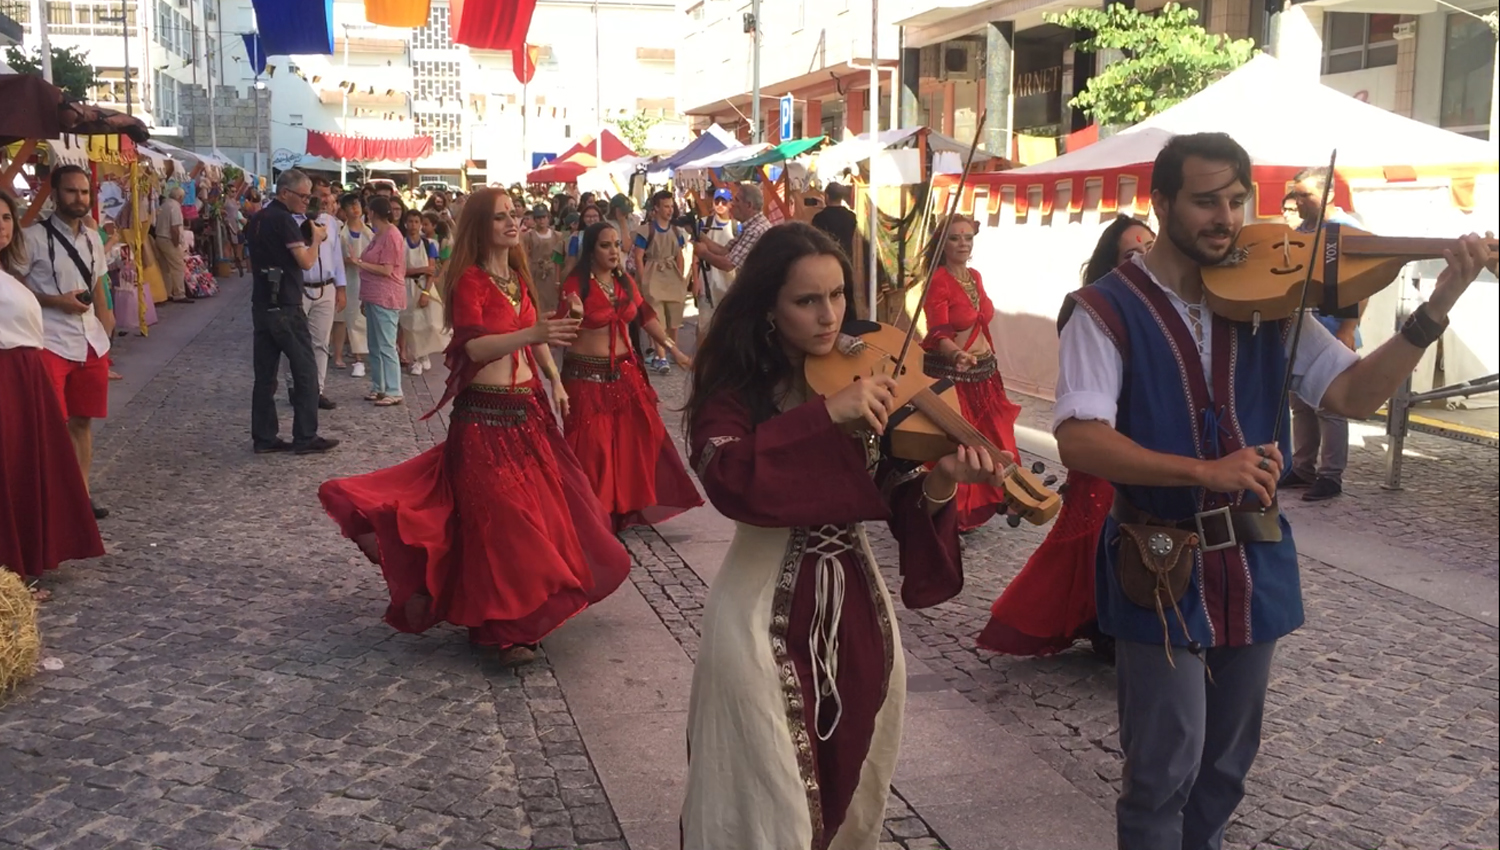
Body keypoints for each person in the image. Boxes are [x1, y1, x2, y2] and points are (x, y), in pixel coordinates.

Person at [1053, 132, 1491, 850]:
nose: (1225, 218)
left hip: (1254, 564)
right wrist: (1204, 471)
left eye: (1235, 199)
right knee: (1164, 770)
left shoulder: (1270, 303)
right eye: (1205, 202)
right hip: (1158, 559)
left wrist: (1437, 304)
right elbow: (1080, 439)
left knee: (1226, 769)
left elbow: (1351, 393)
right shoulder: (1103, 309)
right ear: (1161, 202)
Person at [680, 221, 1009, 849]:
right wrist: (823, 414)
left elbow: (892, 489)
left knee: (853, 782)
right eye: (807, 301)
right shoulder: (736, 389)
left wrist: (940, 480)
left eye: (837, 296)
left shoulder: (871, 377)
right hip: (756, 616)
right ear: (769, 309)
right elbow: (727, 477)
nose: (830, 316)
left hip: (858, 614)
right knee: (764, 787)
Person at [319, 188, 631, 668]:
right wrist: (534, 334)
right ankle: (502, 631)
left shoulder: (517, 278)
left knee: (540, 517)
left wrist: (554, 380)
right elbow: (474, 349)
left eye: (515, 215)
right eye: (501, 217)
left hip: (526, 414)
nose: (512, 223)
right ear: (481, 226)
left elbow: (535, 336)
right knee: (502, 524)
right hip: (482, 420)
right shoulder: (469, 281)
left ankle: (511, 618)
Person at [978, 215, 1154, 661]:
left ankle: (1121, 613)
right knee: (1095, 527)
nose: (1146, 258)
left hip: (1147, 434)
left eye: (1152, 248)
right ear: (1110, 260)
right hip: (1101, 434)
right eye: (1134, 252)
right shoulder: (1089, 309)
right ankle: (1100, 618)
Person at [554, 221, 701, 532]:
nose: (614, 252)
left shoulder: (624, 282)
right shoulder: (576, 285)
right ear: (591, 251)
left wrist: (674, 350)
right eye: (606, 246)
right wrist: (576, 316)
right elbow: (559, 330)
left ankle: (623, 506)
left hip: (625, 374)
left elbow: (646, 316)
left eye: (617, 245)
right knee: (593, 448)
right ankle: (592, 513)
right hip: (585, 377)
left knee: (634, 441)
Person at [0, 191, 104, 598]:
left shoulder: (9, 274)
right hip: (8, 377)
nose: (3, 226)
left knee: (23, 467)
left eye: (7, 217)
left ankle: (18, 564)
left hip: (26, 375)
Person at [20, 165, 116, 516]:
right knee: (50, 425)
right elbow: (14, 287)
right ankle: (49, 499)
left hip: (89, 340)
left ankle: (80, 495)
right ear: (55, 193)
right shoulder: (31, 237)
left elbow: (99, 284)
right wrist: (53, 301)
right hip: (50, 340)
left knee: (82, 420)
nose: (79, 198)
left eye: (85, 192)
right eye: (72, 191)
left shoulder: (93, 238)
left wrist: (107, 326)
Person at [918, 215, 1022, 531]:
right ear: (943, 243)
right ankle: (954, 513)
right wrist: (957, 353)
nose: (963, 244)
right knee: (961, 444)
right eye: (954, 238)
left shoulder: (974, 276)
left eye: (967, 238)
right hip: (954, 376)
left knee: (994, 438)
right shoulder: (938, 280)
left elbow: (981, 319)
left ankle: (992, 500)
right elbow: (937, 331)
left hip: (985, 374)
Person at [1282, 166, 1364, 502]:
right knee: (1301, 404)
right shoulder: (1302, 229)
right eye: (1297, 195)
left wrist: (1348, 327)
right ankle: (1303, 468)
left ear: (1328, 194)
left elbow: (1361, 283)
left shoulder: (1346, 230)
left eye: (1306, 195)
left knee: (1330, 408)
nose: (1298, 202)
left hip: (1333, 329)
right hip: (1303, 329)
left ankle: (1331, 475)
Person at [244, 169, 339, 455]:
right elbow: (306, 261)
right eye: (303, 196)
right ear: (284, 192)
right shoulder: (283, 220)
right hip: (285, 304)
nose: (306, 201)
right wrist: (317, 240)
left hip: (261, 303)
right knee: (306, 370)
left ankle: (264, 436)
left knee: (265, 376)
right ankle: (305, 436)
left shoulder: (258, 218)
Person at [350, 196, 407, 405]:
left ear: (373, 212)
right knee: (374, 344)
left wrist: (360, 263)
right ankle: (379, 386)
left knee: (386, 344)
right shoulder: (377, 234)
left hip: (386, 295)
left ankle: (394, 389)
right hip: (373, 295)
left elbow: (386, 269)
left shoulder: (392, 235)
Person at [293, 184, 346, 410]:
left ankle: (317, 390)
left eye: (328, 195)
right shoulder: (294, 221)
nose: (326, 199)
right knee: (295, 342)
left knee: (321, 343)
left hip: (326, 287)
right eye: (321, 195)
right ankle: (295, 388)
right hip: (300, 287)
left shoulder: (332, 223)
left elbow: (337, 256)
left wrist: (341, 287)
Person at [632, 191, 694, 373]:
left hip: (672, 274)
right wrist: (643, 281)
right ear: (656, 208)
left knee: (674, 318)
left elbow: (679, 255)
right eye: (666, 206)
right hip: (653, 272)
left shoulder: (677, 231)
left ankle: (671, 351)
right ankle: (660, 356)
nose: (670, 210)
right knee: (656, 316)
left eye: (671, 206)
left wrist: (681, 277)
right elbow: (638, 257)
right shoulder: (646, 230)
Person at [399, 208, 447, 377]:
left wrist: (426, 292)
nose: (413, 225)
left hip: (424, 285)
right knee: (411, 324)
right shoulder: (401, 243)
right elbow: (400, 270)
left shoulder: (429, 244)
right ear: (405, 223)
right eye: (410, 221)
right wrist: (420, 269)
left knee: (430, 322)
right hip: (406, 286)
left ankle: (424, 355)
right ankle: (418, 358)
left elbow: (431, 269)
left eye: (416, 222)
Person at [695, 182, 771, 280]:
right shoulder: (750, 226)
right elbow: (725, 251)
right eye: (717, 201)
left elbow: (729, 264)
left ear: (748, 205)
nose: (733, 204)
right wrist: (696, 232)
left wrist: (704, 253)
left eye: (737, 200)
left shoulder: (755, 230)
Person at [331, 192, 369, 378]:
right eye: (351, 206)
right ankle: (355, 357)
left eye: (357, 205)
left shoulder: (370, 232)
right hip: (348, 279)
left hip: (367, 279)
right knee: (350, 319)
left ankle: (363, 357)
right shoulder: (342, 233)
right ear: (344, 211)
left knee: (364, 319)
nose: (355, 209)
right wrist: (347, 261)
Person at [694, 188, 738, 333]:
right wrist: (695, 280)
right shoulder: (703, 224)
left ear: (730, 204)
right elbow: (696, 254)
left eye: (724, 201)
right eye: (717, 201)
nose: (720, 204)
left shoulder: (737, 227)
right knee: (704, 326)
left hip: (729, 283)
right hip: (707, 280)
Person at [523, 205, 564, 316]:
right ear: (535, 220)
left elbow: (559, 257)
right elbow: (525, 257)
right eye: (538, 218)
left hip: (552, 271)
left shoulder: (557, 235)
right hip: (536, 272)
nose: (541, 220)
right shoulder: (528, 236)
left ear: (548, 218)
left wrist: (558, 279)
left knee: (554, 301)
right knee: (538, 301)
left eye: (544, 217)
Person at [154, 186, 191, 303]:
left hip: (159, 238)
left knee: (165, 267)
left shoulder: (164, 205)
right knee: (178, 266)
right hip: (168, 239)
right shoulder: (175, 207)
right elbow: (174, 228)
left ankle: (167, 292)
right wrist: (176, 243)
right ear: (180, 197)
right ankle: (179, 293)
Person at [810, 181, 858, 262]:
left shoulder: (819, 218)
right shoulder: (851, 216)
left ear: (827, 196)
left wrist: (825, 209)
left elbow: (815, 241)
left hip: (827, 260)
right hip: (846, 259)